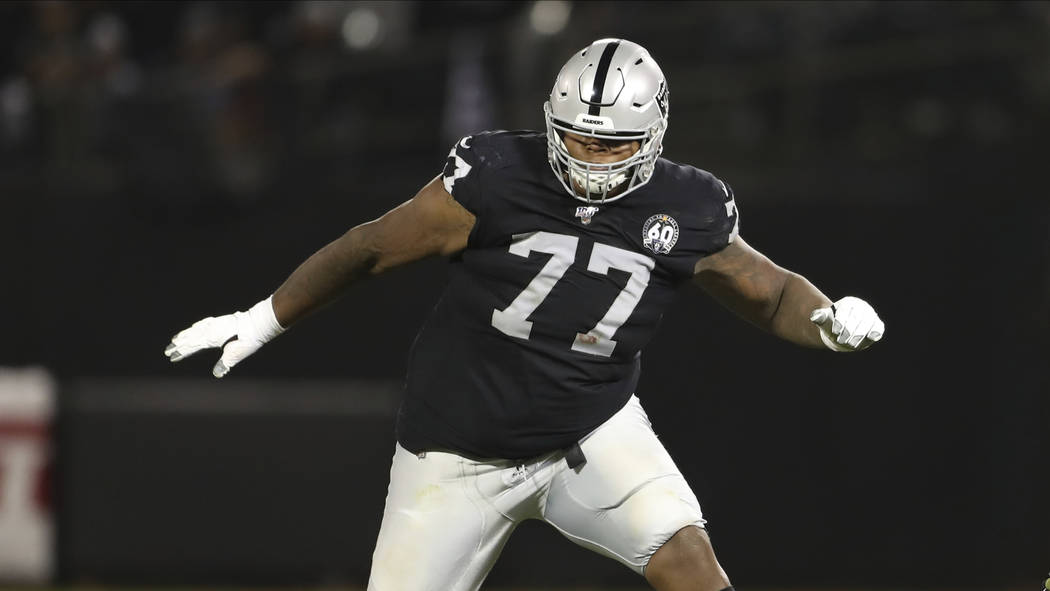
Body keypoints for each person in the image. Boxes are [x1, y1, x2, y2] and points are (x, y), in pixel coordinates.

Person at [165, 38, 884, 591]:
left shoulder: (688, 205)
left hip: (588, 431)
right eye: (576, 136)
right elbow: (372, 247)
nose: (591, 156)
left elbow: (771, 291)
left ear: (655, 135)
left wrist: (825, 319)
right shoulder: (496, 178)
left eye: (611, 142)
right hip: (454, 452)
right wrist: (264, 316)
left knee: (695, 569)